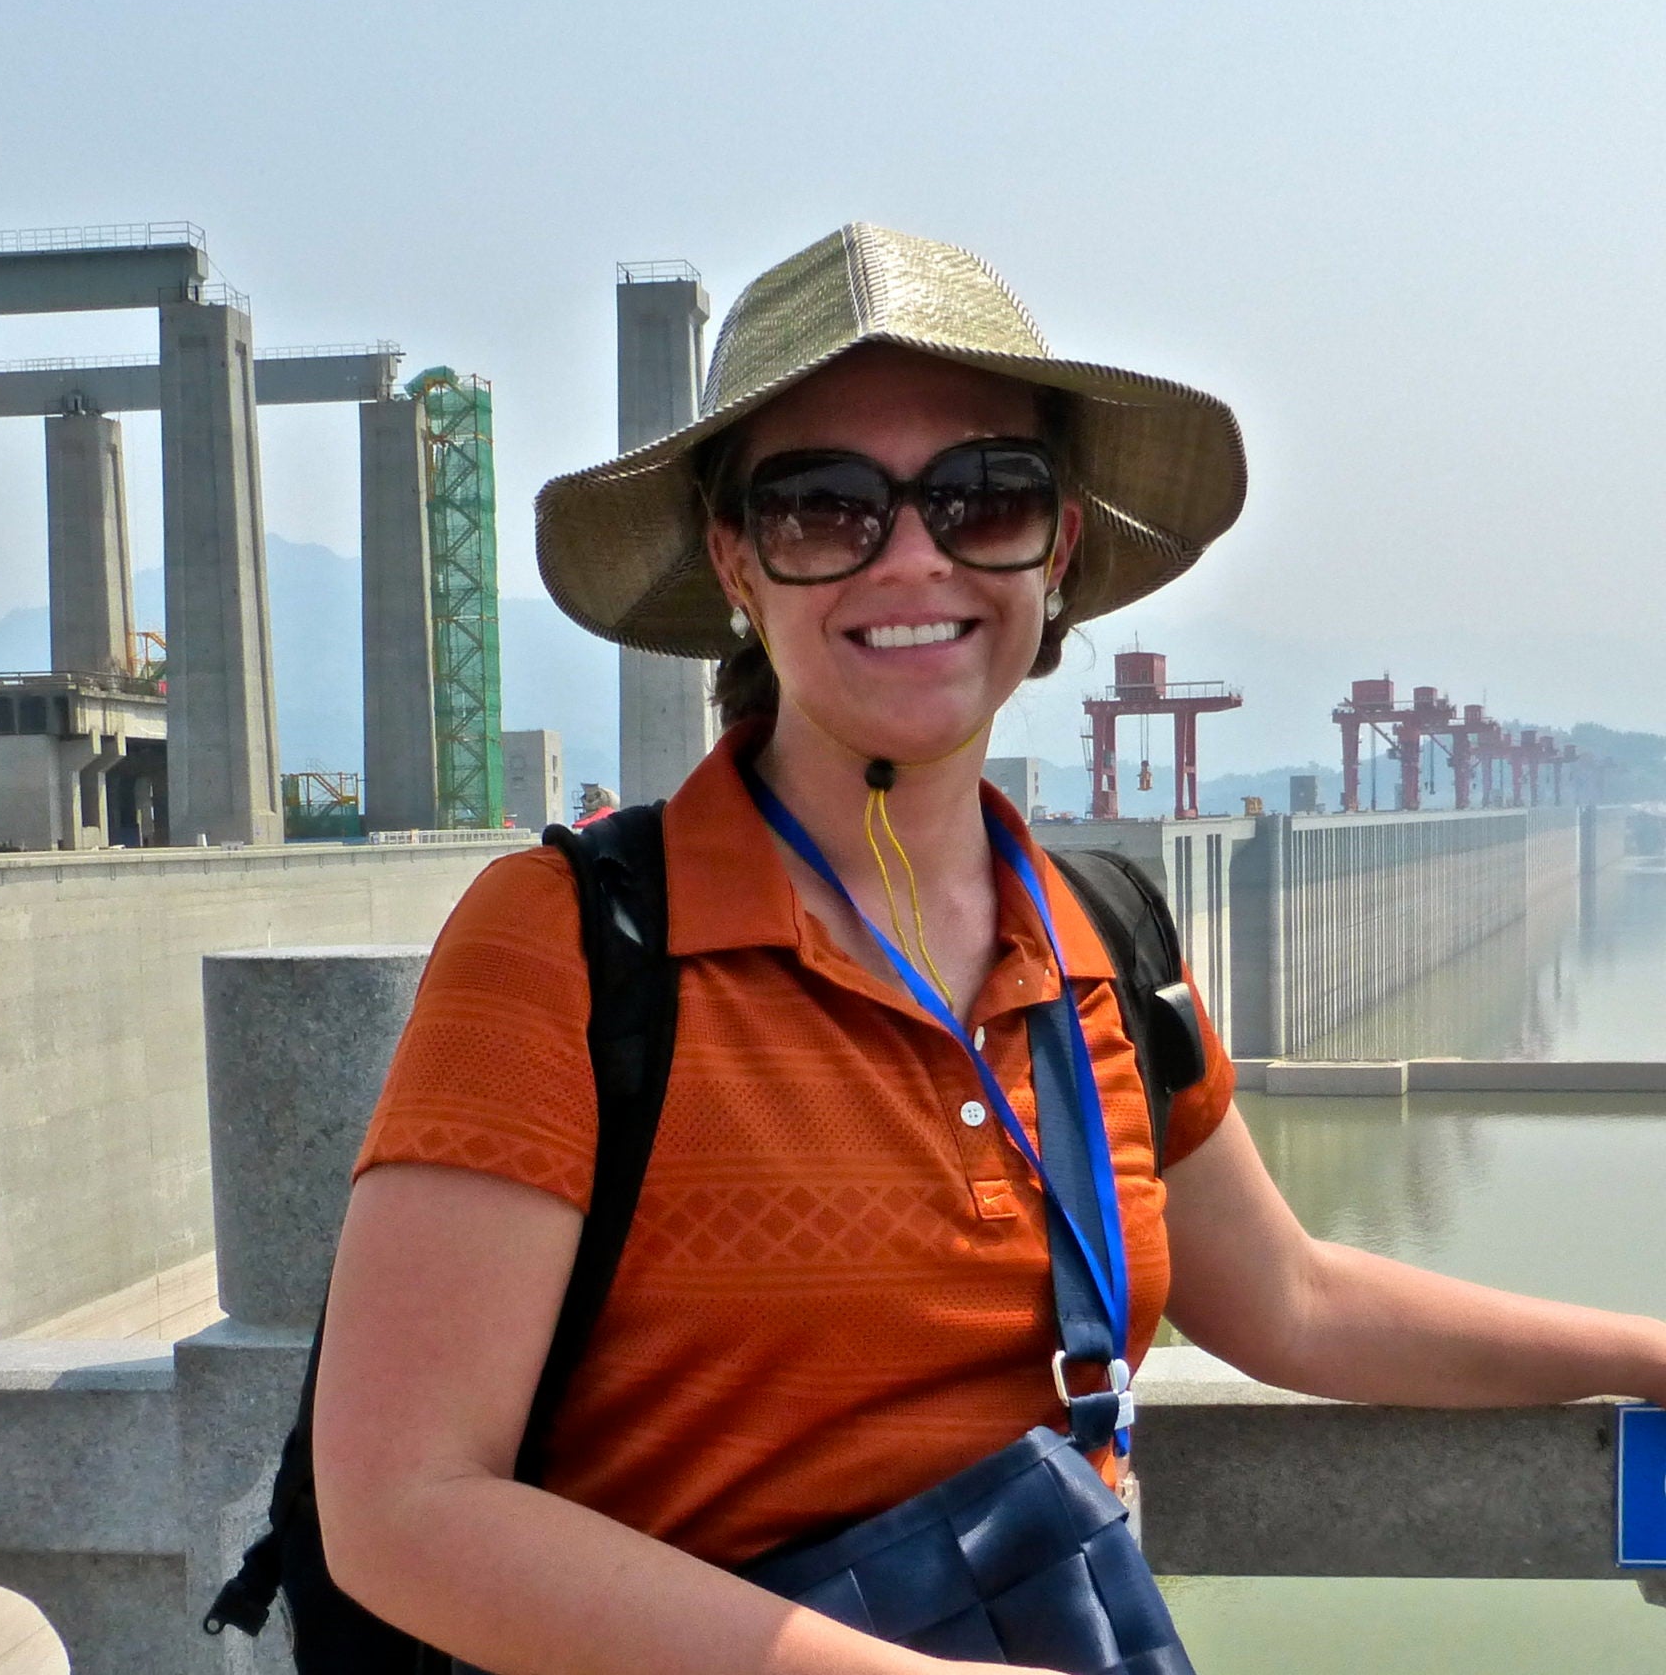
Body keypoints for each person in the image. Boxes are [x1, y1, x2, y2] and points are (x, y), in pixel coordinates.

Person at [309, 223, 1666, 1675]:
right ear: (735, 564)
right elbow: (403, 1511)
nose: (911, 559)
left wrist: (1651, 1353)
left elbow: (1295, 1301)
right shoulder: (576, 948)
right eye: (824, 507)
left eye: (982, 496)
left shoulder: (1107, 941)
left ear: (1057, 545)